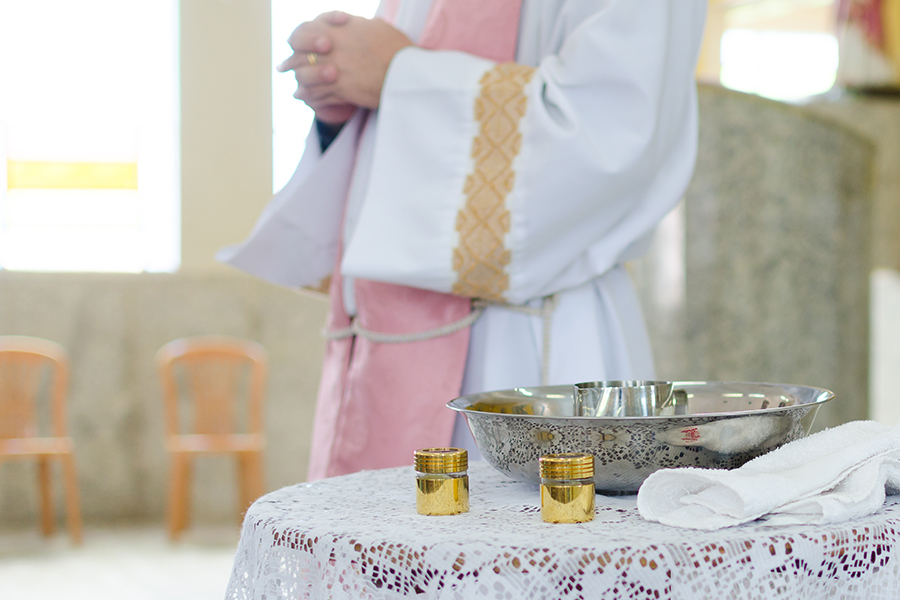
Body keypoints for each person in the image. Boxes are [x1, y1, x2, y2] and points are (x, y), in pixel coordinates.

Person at [219, 0, 707, 480]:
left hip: (532, 340)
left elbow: (612, 131)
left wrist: (400, 77)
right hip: (389, 342)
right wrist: (342, 102)